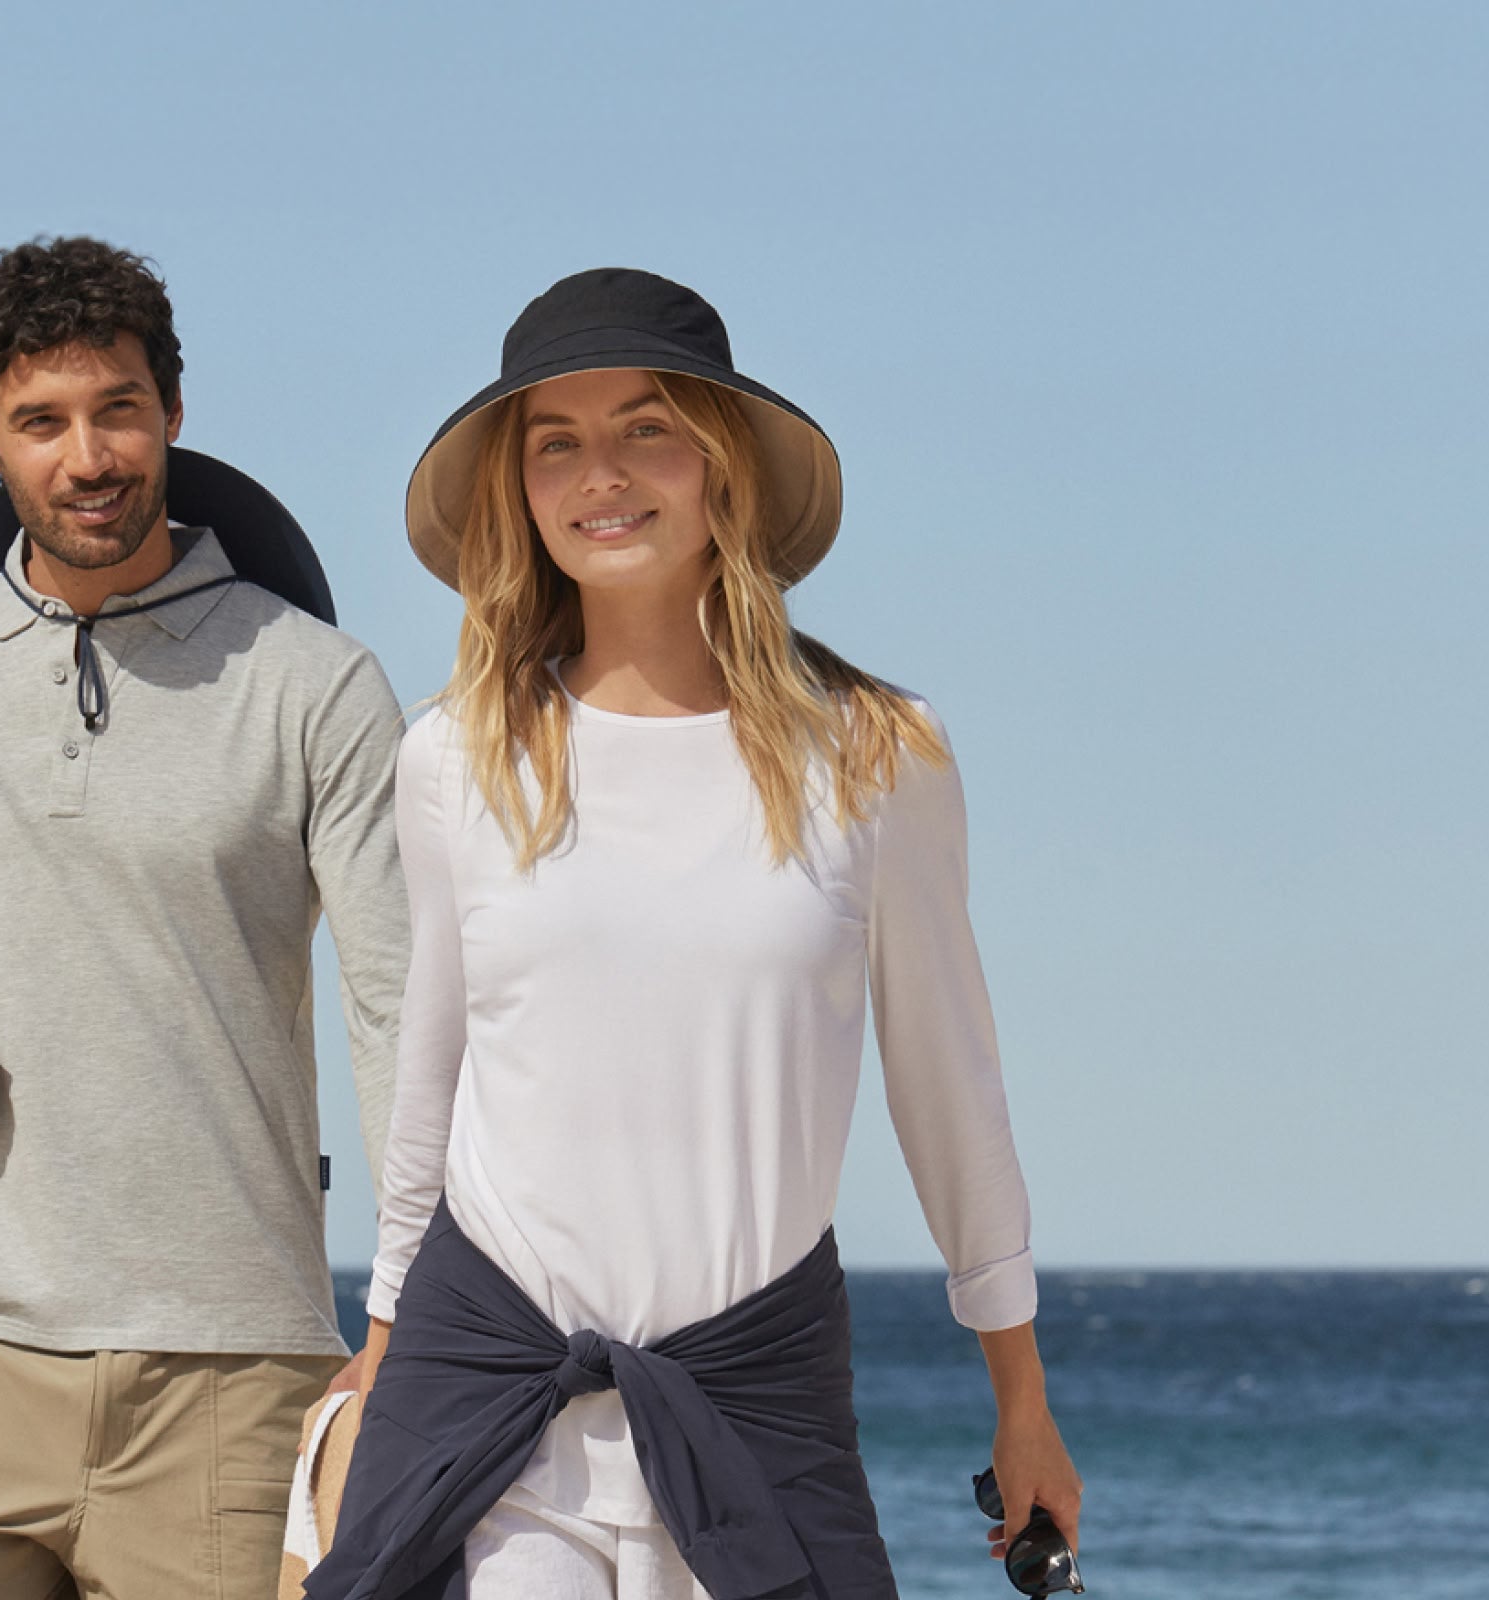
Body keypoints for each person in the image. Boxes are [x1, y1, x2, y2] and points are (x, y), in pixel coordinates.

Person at [307, 269, 1080, 1599]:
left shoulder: (879, 756)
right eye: (556, 443)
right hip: (486, 1400)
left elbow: (950, 1087)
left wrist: (1023, 1399)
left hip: (753, 1408)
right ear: (519, 490)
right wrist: (379, 1346)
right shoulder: (456, 757)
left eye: (646, 428)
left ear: (723, 461)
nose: (601, 475)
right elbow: (432, 1071)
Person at [0, 236, 411, 1600]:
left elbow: (402, 1014)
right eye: (41, 422)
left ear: (173, 411)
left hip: (236, 1366)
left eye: (119, 409)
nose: (89, 456)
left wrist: (408, 1321)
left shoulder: (318, 684)